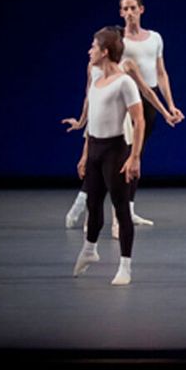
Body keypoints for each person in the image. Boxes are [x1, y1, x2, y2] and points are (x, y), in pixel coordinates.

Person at [63, 0, 182, 229]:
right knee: (115, 157)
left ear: (141, 9)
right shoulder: (117, 42)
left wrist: (169, 106)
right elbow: (96, 83)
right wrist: (83, 120)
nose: (129, 13)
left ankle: (127, 209)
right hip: (123, 100)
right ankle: (89, 205)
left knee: (135, 157)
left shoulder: (155, 38)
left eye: (132, 8)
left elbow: (160, 74)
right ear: (120, 12)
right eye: (124, 9)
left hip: (146, 100)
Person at [72, 27, 145, 285]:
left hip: (115, 151)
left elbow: (139, 120)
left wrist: (134, 157)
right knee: (93, 206)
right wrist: (85, 155)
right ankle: (90, 250)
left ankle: (125, 266)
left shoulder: (124, 82)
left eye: (93, 46)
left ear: (105, 52)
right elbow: (92, 120)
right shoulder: (95, 77)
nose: (89, 50)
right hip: (95, 149)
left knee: (121, 208)